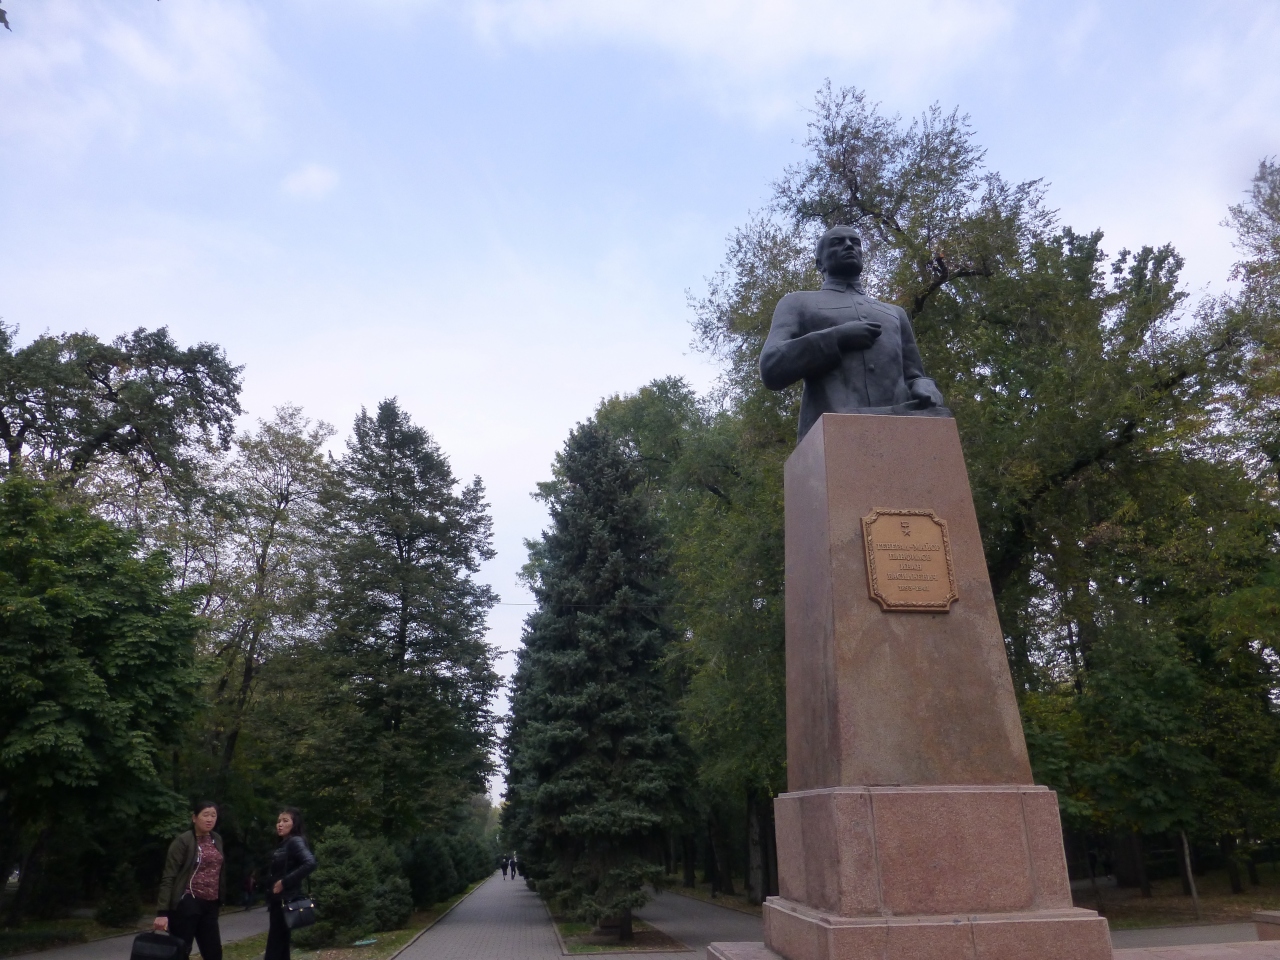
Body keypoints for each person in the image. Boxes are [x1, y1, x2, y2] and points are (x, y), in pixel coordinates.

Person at [759, 224, 946, 441]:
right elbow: (771, 366)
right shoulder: (798, 303)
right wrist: (836, 338)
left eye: (855, 242)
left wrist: (924, 383)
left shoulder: (895, 313)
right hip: (833, 431)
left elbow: (914, 374)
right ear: (819, 263)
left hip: (900, 427)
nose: (849, 245)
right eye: (837, 243)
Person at [154, 800, 225, 960]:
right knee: (181, 951)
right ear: (194, 818)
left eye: (213, 815)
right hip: (187, 903)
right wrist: (162, 912)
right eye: (205, 815)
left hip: (210, 904)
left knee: (214, 953)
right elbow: (169, 876)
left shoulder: (216, 839)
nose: (210, 819)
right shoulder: (183, 841)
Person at [265, 807, 317, 960]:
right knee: (281, 945)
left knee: (275, 946)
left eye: (285, 821)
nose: (280, 824)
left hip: (286, 899)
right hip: (278, 901)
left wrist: (284, 882)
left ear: (295, 824)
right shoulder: (284, 843)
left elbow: (310, 863)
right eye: (278, 821)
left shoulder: (295, 841)